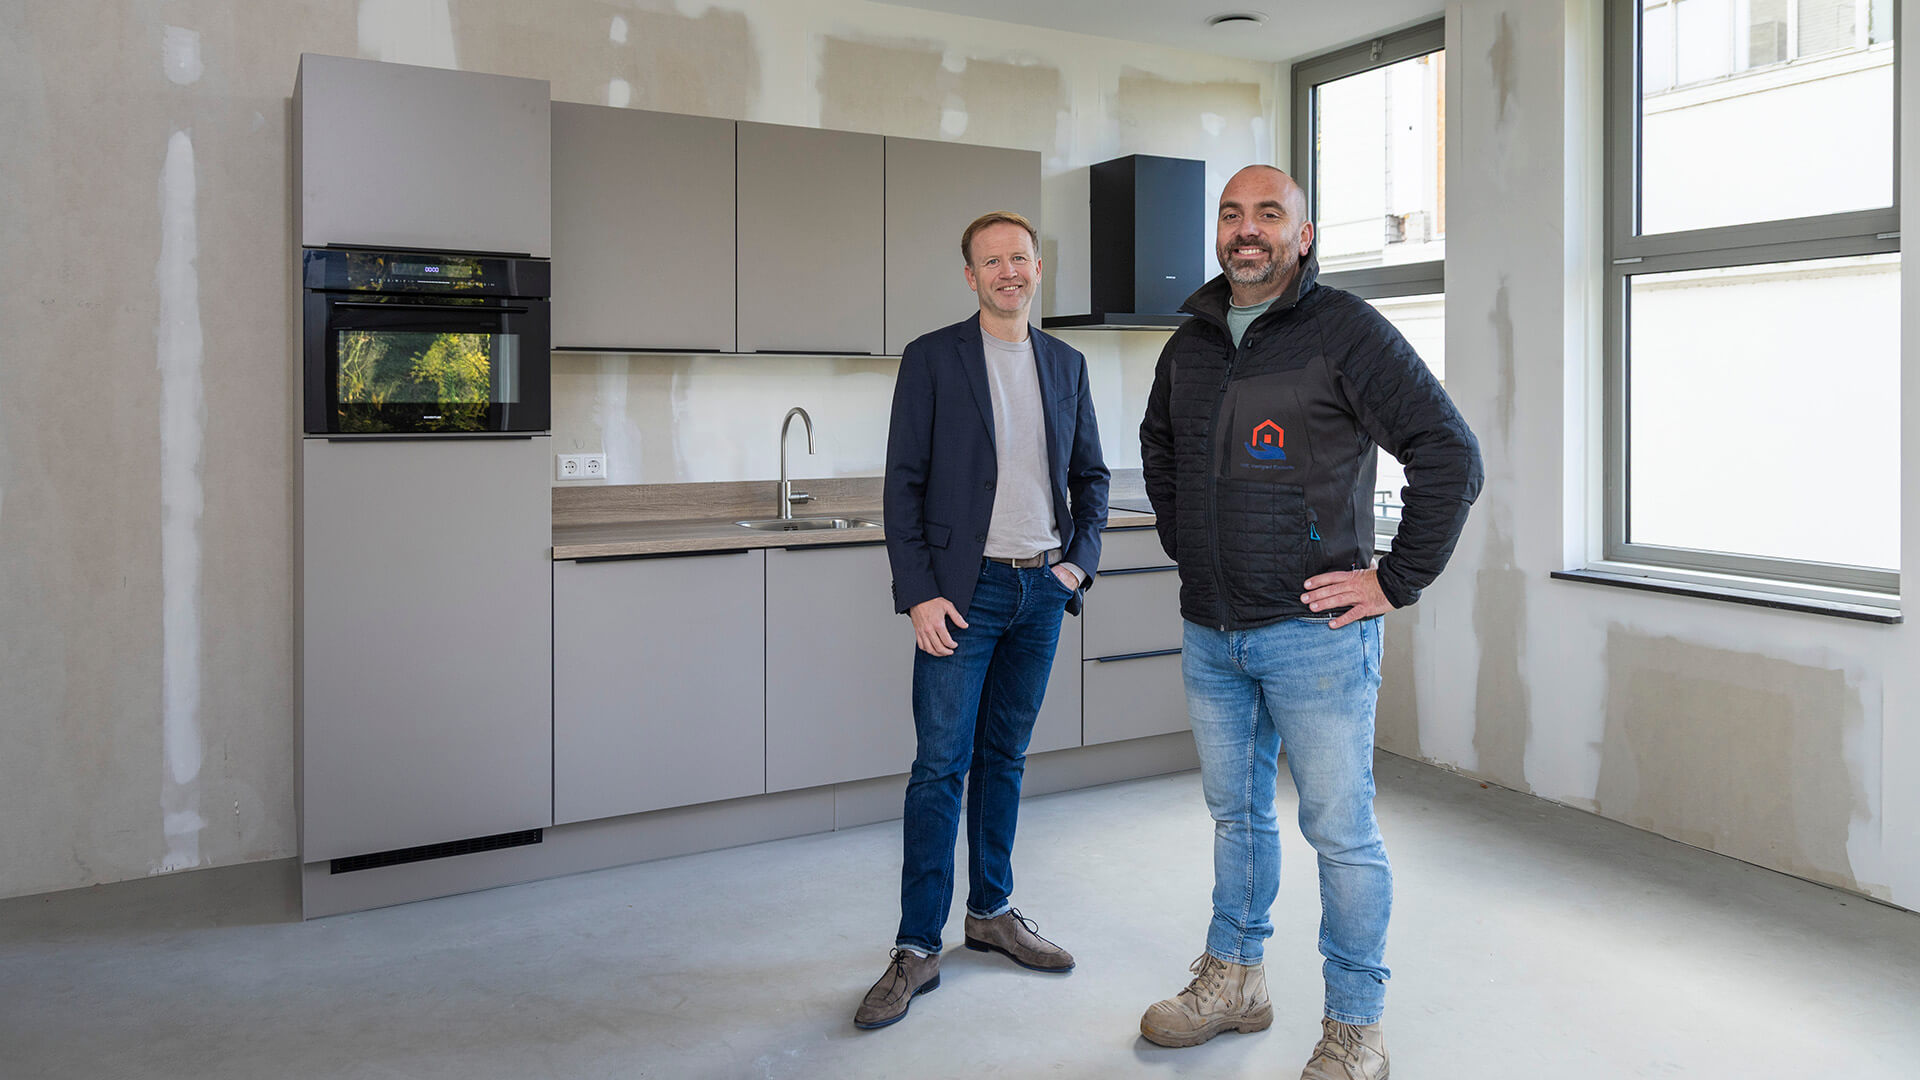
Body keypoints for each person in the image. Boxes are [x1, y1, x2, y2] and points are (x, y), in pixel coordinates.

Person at [1136, 165, 1483, 1078]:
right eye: (1232, 214)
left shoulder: (1344, 330)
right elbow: (1159, 443)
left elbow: (1449, 451)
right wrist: (1188, 540)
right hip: (1212, 631)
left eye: (1268, 214)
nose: (1246, 229)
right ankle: (1235, 981)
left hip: (1314, 637)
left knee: (1340, 834)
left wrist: (1395, 581)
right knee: (1236, 818)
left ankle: (1356, 1027)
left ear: (1304, 234)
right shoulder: (1193, 341)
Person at [854, 210, 1109, 1030]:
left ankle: (991, 912)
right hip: (961, 596)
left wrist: (1076, 564)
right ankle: (915, 946)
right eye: (992, 261)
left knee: (1006, 758)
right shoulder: (933, 358)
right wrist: (919, 593)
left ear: (1038, 268)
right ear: (971, 276)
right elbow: (903, 484)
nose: (1008, 272)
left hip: (1042, 593)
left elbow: (1092, 478)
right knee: (940, 766)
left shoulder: (1066, 363)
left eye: (1020, 258)